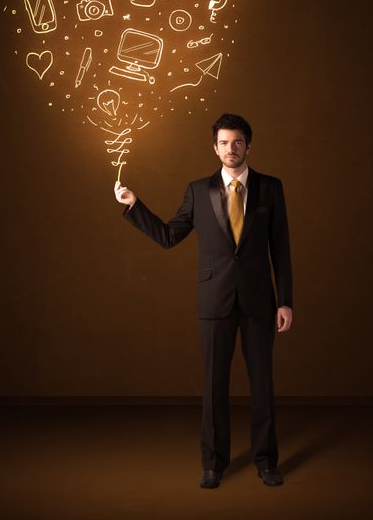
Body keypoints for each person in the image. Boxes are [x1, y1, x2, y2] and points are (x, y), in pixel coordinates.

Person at [114, 112, 293, 489]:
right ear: (215, 148)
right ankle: (213, 464)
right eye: (224, 142)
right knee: (214, 387)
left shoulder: (271, 188)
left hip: (261, 301)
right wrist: (134, 205)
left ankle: (266, 461)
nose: (231, 148)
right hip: (215, 301)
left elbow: (281, 248)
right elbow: (168, 236)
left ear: (248, 145)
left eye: (238, 141)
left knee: (263, 385)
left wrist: (285, 301)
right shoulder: (198, 190)